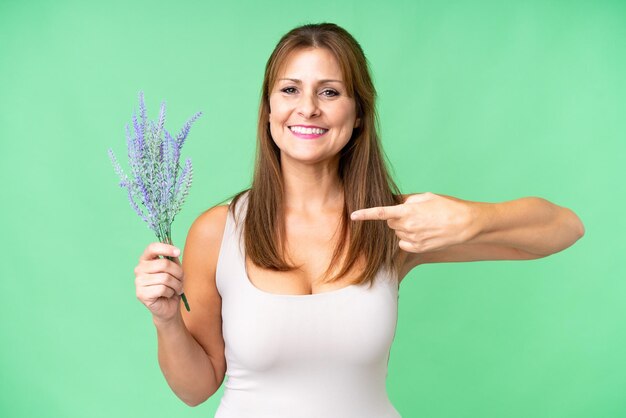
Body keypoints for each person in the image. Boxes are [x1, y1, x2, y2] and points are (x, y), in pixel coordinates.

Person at [132, 23, 585, 417]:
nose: (307, 108)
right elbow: (195, 390)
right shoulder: (218, 230)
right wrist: (167, 319)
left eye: (329, 91)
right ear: (269, 110)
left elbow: (564, 229)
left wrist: (471, 218)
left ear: (358, 114)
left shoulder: (397, 223)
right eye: (290, 90)